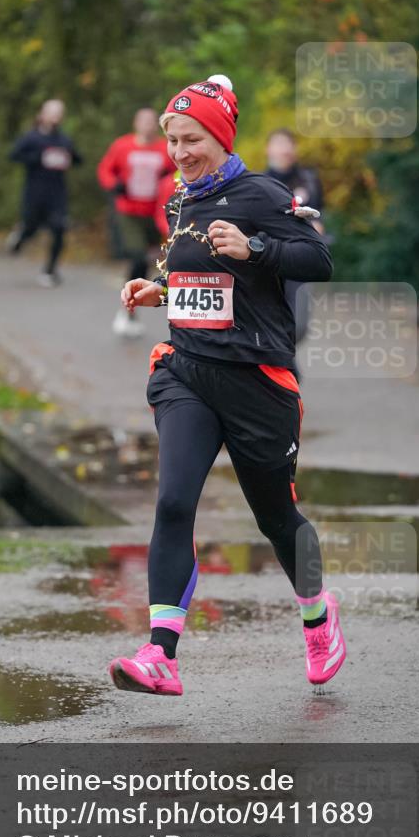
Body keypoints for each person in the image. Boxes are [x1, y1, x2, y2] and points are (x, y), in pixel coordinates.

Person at [108, 75, 345, 697]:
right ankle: (160, 653)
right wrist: (161, 289)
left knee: (276, 518)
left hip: (256, 382)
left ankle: (317, 612)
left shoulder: (262, 193)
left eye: (193, 139)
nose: (181, 153)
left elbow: (318, 262)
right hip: (186, 370)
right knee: (172, 500)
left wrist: (256, 247)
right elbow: (192, 267)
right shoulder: (180, 199)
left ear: (219, 135)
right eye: (173, 141)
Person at [97, 108, 174, 338]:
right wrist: (113, 185)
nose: (148, 126)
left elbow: (176, 173)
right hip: (128, 211)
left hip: (154, 211)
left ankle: (130, 305)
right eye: (143, 121)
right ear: (136, 123)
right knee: (138, 255)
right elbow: (105, 170)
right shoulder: (122, 146)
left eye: (152, 122)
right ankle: (127, 309)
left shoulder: (164, 148)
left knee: (147, 260)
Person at [7, 99, 82, 287]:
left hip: (57, 194)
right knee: (31, 227)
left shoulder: (64, 140)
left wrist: (68, 158)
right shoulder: (31, 138)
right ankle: (20, 237)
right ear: (42, 115)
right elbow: (14, 155)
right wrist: (38, 158)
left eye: (59, 113)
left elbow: (77, 159)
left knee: (59, 228)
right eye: (52, 112)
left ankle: (50, 270)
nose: (56, 116)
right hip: (34, 193)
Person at [265, 129, 328, 343]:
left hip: (300, 257)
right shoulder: (257, 183)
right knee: (268, 319)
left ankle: (284, 358)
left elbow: (321, 211)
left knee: (299, 324)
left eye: (288, 144)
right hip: (267, 259)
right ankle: (282, 365)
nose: (284, 149)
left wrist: (319, 225)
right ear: (268, 149)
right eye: (278, 143)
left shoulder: (309, 179)